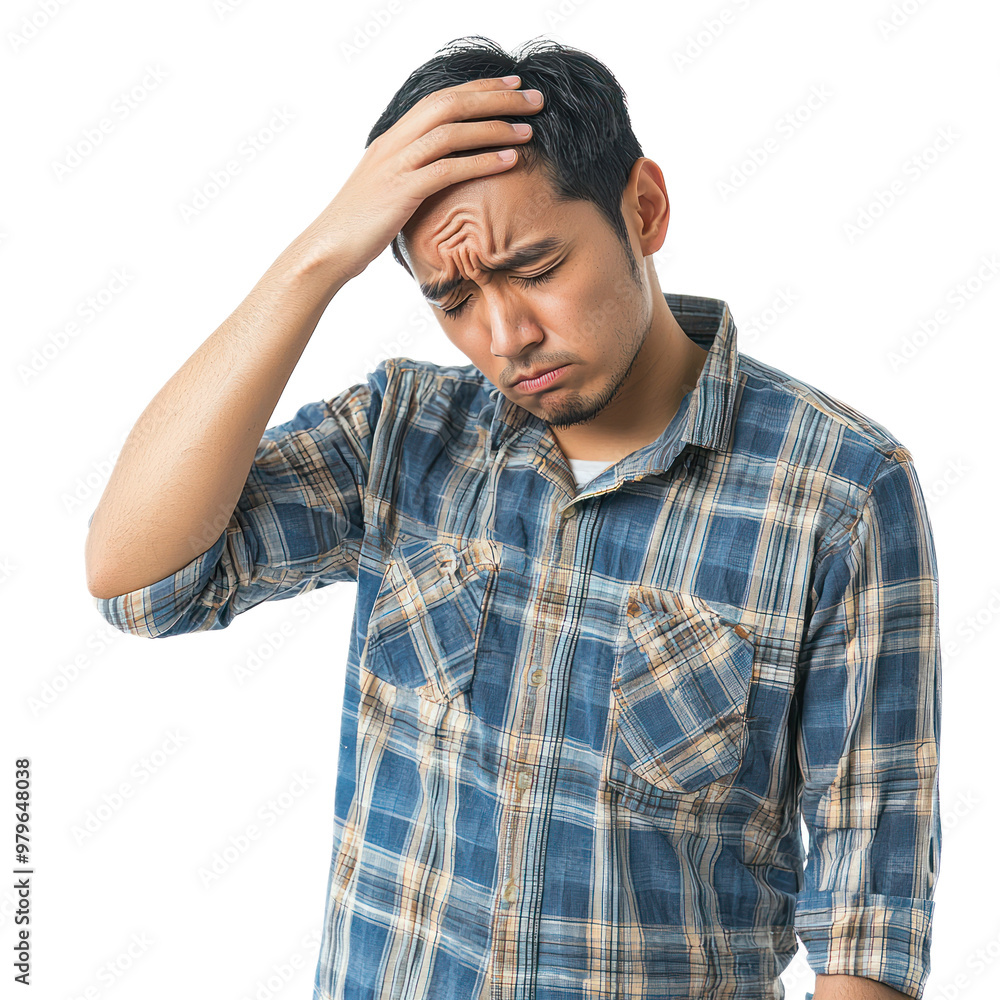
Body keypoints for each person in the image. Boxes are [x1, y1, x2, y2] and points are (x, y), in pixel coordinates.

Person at [85, 36, 941, 1000]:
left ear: (644, 211)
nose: (505, 335)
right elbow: (140, 581)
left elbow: (870, 916)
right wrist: (319, 257)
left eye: (534, 266)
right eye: (453, 298)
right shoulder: (403, 435)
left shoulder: (840, 491)